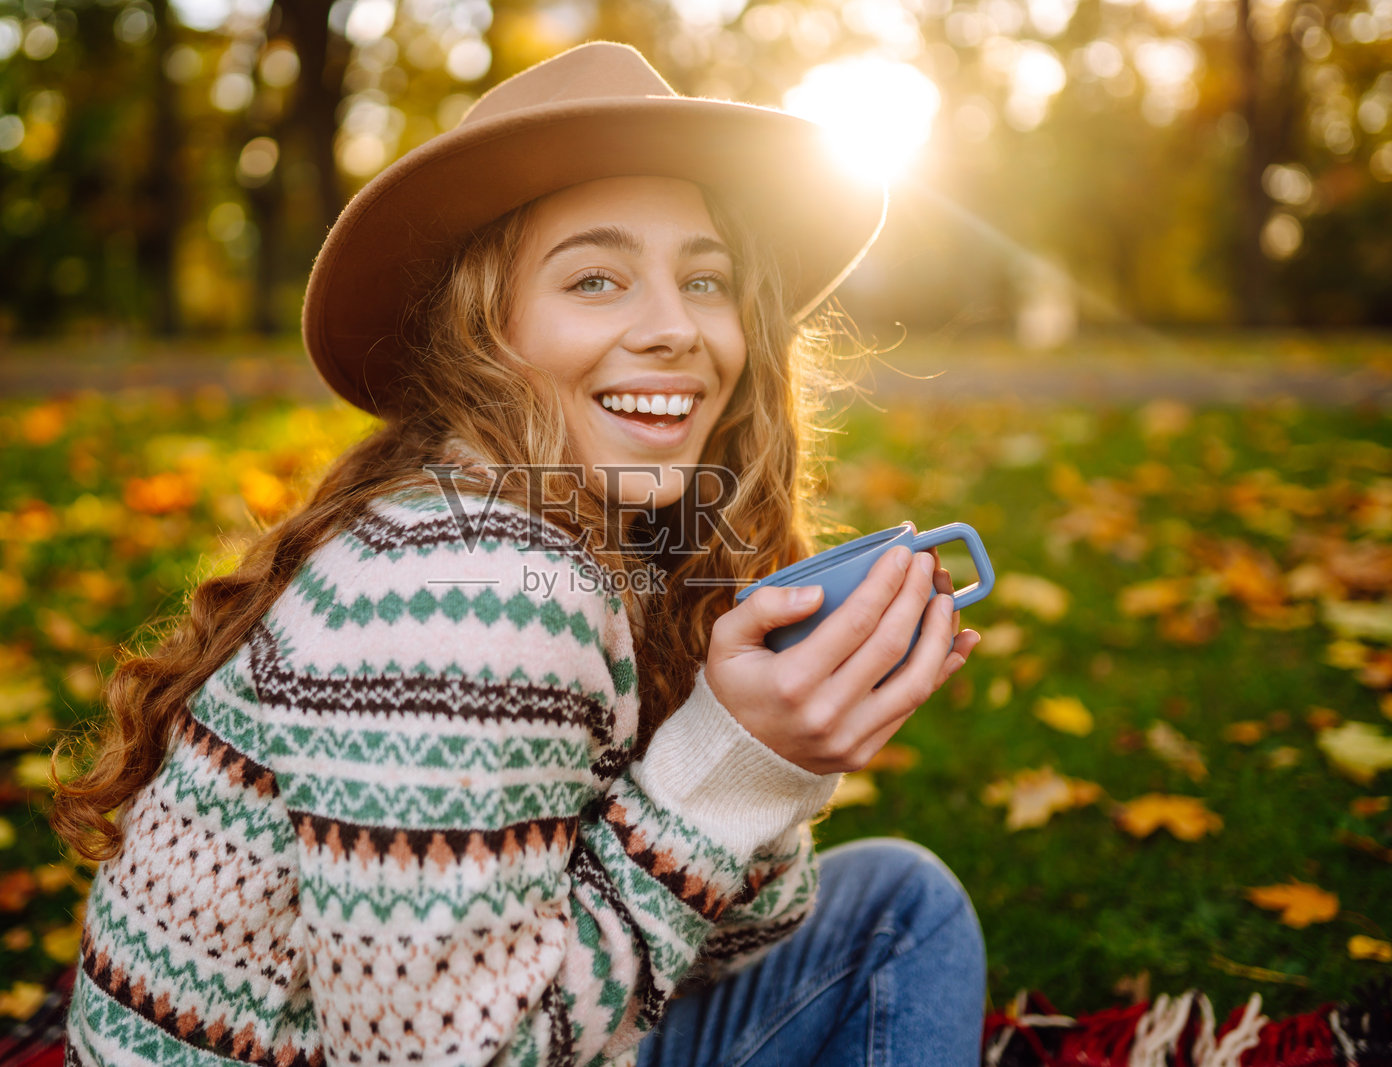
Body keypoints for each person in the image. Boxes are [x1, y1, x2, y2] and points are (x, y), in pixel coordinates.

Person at [53, 41, 986, 1067]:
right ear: (477, 332)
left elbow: (706, 937)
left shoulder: (560, 541)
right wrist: (724, 770)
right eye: (595, 277)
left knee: (894, 901)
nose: (675, 327)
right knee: (908, 919)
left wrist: (769, 756)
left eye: (705, 278)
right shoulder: (475, 594)